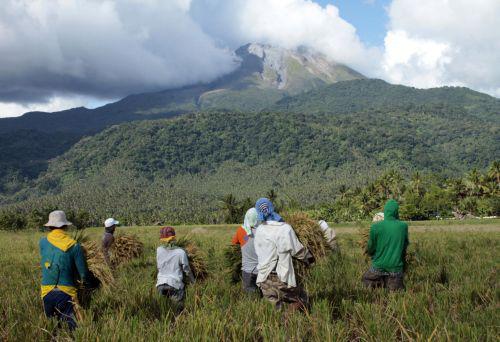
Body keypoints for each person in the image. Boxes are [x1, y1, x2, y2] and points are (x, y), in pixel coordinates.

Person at [253, 198, 314, 311]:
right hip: (282, 278)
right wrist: (309, 258)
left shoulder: (259, 230)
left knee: (275, 309)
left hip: (264, 279)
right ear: (272, 208)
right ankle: (288, 317)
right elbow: (297, 250)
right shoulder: (285, 228)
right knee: (302, 298)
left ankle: (280, 323)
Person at [40, 210, 90, 330]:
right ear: (65, 226)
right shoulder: (74, 246)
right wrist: (87, 285)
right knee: (73, 329)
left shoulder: (42, 242)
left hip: (46, 293)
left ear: (49, 227)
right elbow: (83, 274)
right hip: (66, 293)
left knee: (53, 329)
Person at [362, 200, 409, 291]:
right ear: (396, 212)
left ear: (385, 211)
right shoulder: (403, 226)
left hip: (378, 267)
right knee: (395, 295)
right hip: (396, 269)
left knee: (366, 280)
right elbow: (404, 247)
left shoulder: (375, 227)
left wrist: (372, 254)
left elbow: (370, 247)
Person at [156, 226, 195, 314]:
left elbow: (158, 267)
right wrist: (193, 281)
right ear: (174, 238)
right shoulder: (181, 252)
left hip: (160, 284)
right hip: (175, 284)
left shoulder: (158, 250)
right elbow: (187, 269)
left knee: (164, 312)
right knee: (178, 312)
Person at [231, 208, 259, 293]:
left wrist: (245, 239)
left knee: (251, 297)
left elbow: (234, 243)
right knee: (264, 296)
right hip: (263, 270)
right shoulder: (263, 230)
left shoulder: (241, 230)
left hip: (247, 271)